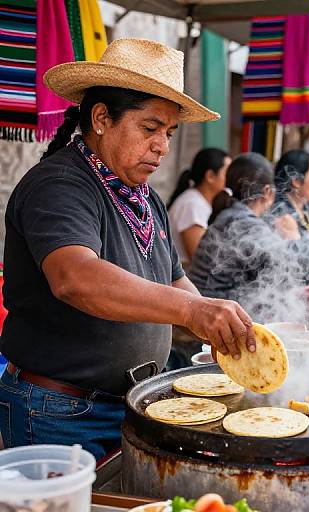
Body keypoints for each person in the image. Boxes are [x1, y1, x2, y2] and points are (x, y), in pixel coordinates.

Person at [0, 39, 256, 459]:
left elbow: (175, 281)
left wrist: (224, 325)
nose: (163, 147)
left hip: (135, 402)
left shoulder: (144, 197)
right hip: (58, 410)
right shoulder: (60, 185)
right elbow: (75, 278)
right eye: (150, 128)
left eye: (170, 133)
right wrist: (192, 311)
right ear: (101, 118)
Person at [188, 153, 309, 322]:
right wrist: (293, 236)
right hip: (212, 320)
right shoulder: (242, 221)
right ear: (268, 191)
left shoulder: (234, 215)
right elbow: (290, 266)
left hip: (210, 311)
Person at [168, 148, 231, 265]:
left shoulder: (199, 201)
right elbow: (200, 259)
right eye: (227, 173)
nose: (231, 178)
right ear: (210, 176)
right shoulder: (192, 205)